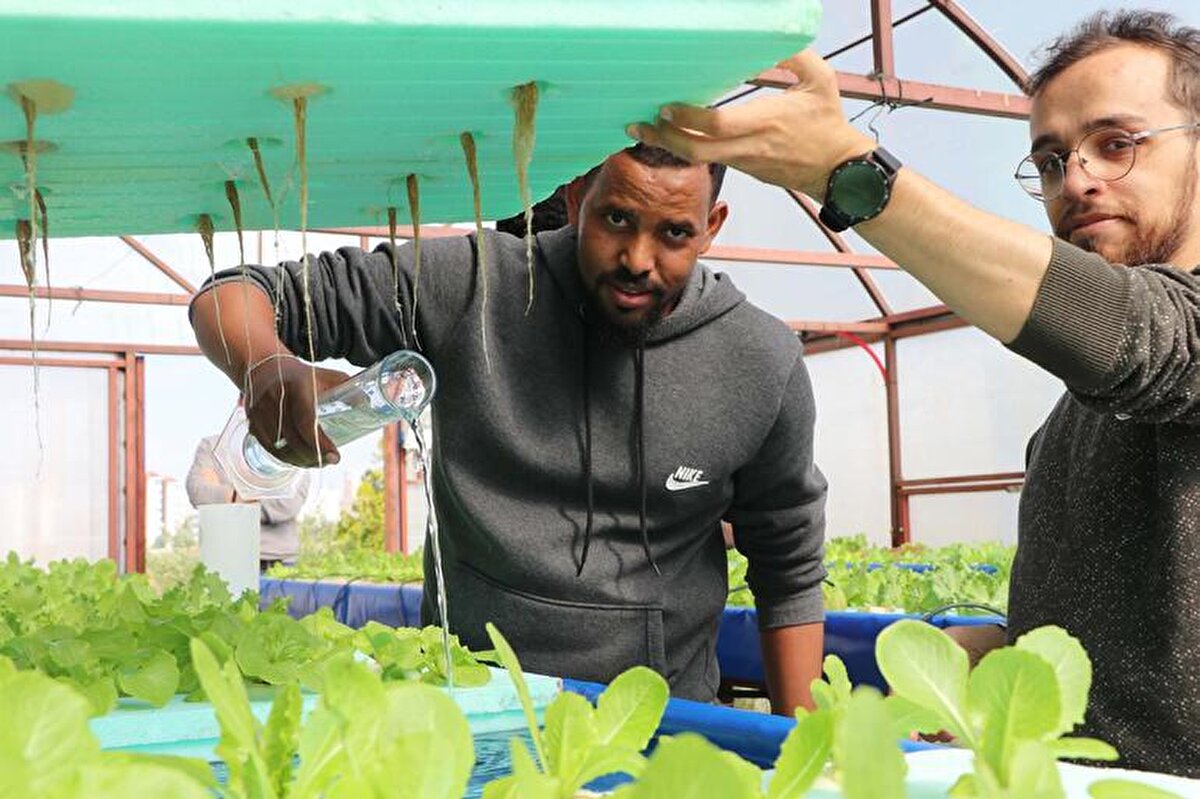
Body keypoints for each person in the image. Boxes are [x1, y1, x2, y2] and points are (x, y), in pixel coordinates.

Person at [629, 8, 1200, 777]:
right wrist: (1004, 651)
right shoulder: (1071, 418)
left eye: (1116, 143)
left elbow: (1144, 336)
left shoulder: (1140, 345)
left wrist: (845, 169)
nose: (1078, 179)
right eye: (1053, 159)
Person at [188, 143, 828, 713]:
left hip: (658, 731)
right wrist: (266, 367)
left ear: (711, 227)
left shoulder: (760, 361)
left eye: (674, 233)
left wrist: (806, 753)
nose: (638, 258)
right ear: (579, 196)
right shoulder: (474, 283)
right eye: (616, 219)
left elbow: (789, 570)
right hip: (471, 714)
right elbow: (233, 292)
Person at [185, 432, 311, 571]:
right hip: (224, 559)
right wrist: (266, 489)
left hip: (277, 562)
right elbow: (197, 493)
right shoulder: (211, 445)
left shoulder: (292, 448)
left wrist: (227, 497)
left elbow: (287, 504)